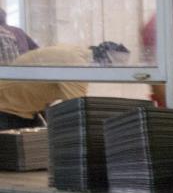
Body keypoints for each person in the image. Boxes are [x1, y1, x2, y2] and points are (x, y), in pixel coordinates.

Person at [0, 41, 130, 129]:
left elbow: (42, 86)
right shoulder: (77, 65)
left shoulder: (76, 54)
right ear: (104, 63)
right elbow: (78, 108)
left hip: (23, 108)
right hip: (8, 110)